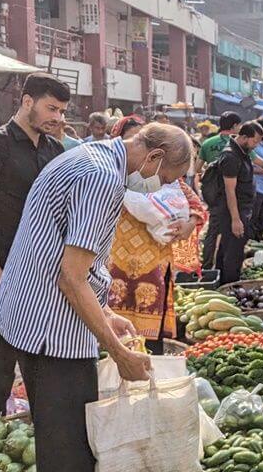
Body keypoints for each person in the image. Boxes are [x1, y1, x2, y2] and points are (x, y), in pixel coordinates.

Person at [0, 123, 192, 470]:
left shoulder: (89, 154)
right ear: (154, 157)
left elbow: (66, 250)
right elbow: (71, 278)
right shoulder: (102, 179)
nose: (166, 187)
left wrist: (104, 312)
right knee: (69, 451)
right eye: (169, 178)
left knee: (54, 440)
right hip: (53, 330)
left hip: (28, 314)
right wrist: (118, 350)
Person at [0, 73, 67, 418]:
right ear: (26, 102)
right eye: (52, 108)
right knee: (0, 366)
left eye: (63, 111)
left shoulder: (54, 150)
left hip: (43, 277)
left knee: (41, 365)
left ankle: (45, 437)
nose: (58, 117)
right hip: (3, 275)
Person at [107, 121, 207, 355]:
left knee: (152, 318)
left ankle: (147, 363)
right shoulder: (112, 174)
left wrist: (187, 225)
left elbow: (196, 206)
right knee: (113, 315)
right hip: (117, 261)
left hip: (154, 261)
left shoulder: (167, 178)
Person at [208, 122, 263, 283]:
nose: (256, 145)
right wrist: (236, 219)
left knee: (227, 248)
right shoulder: (230, 157)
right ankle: (231, 285)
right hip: (232, 211)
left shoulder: (243, 151)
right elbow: (230, 191)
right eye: (255, 141)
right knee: (234, 252)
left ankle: (223, 282)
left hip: (241, 208)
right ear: (244, 137)